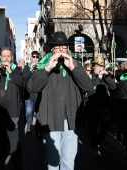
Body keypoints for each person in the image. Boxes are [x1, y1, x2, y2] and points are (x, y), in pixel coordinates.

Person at [27, 31, 92, 169]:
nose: (61, 49)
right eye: (57, 46)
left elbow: (87, 86)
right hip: (51, 121)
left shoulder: (75, 64)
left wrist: (73, 68)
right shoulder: (43, 64)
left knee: (68, 162)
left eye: (64, 46)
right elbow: (32, 88)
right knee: (53, 161)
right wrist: (47, 68)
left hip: (71, 121)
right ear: (52, 49)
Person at [85, 56, 116, 158]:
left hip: (104, 106)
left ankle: (99, 141)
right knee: (93, 128)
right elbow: (90, 90)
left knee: (105, 126)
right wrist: (98, 78)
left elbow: (113, 87)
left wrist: (107, 77)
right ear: (93, 66)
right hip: (92, 106)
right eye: (98, 66)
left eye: (102, 66)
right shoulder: (90, 77)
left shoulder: (105, 77)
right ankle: (94, 147)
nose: (100, 68)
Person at [22, 51, 40, 134]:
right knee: (29, 111)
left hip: (38, 93)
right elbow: (24, 77)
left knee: (38, 113)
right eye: (34, 56)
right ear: (31, 57)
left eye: (37, 57)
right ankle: (29, 125)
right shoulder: (26, 67)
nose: (35, 58)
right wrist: (31, 69)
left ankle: (37, 129)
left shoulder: (41, 67)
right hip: (29, 93)